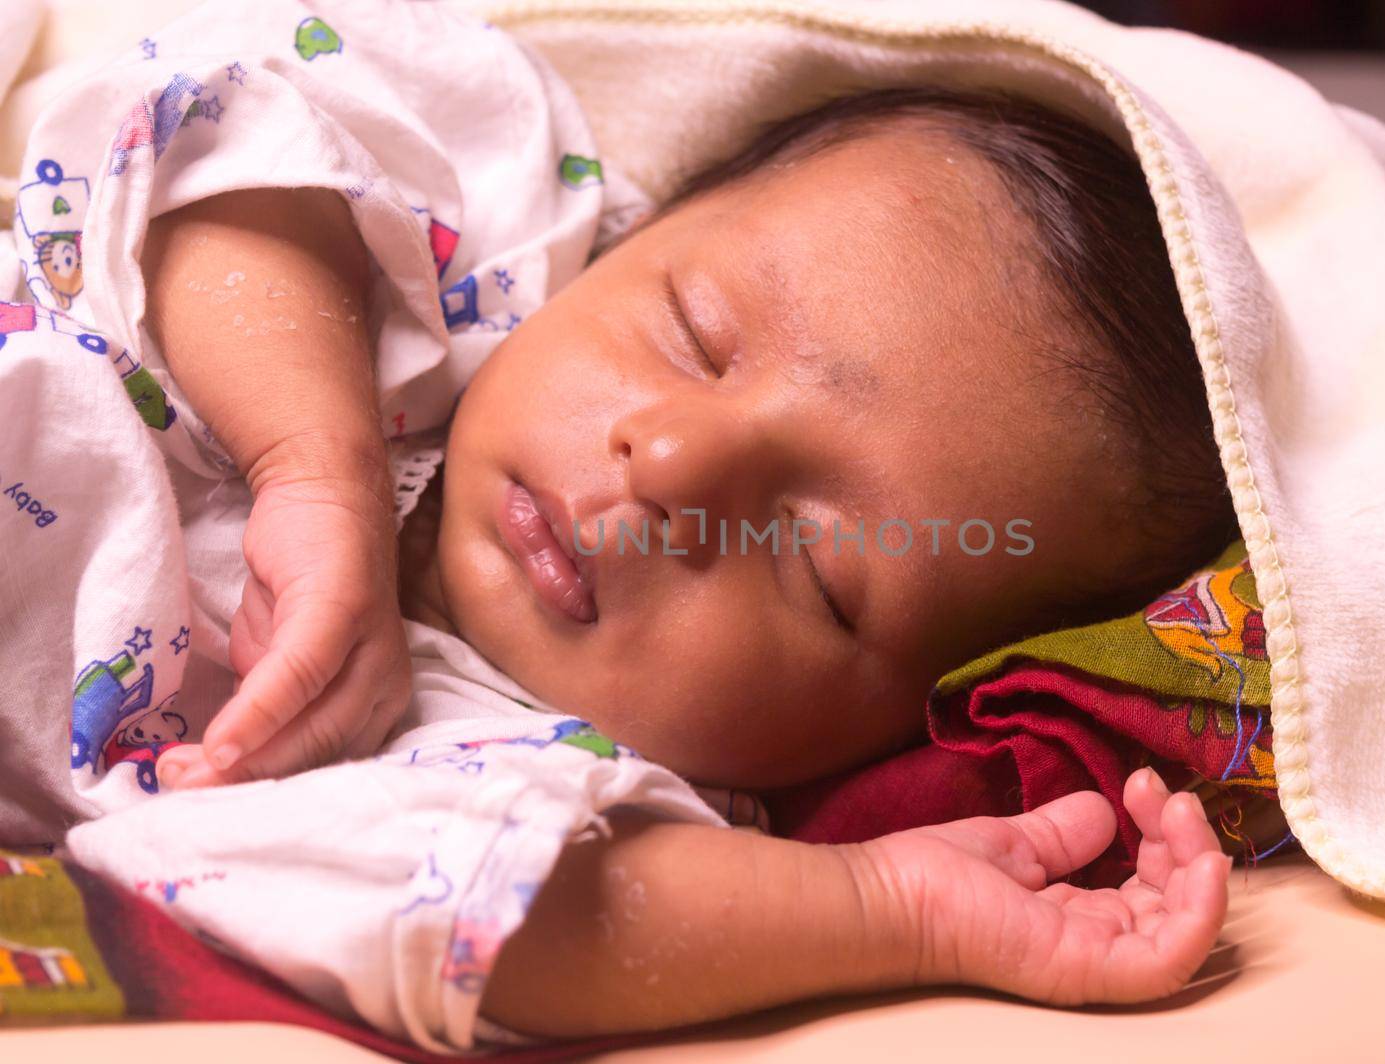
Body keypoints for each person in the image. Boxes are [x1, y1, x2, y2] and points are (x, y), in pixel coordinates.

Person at [2, 0, 1232, 1047]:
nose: (675, 464)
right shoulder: (478, 238)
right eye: (694, 332)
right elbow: (220, 132)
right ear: (634, 231)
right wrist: (313, 463)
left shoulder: (545, 774)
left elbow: (501, 921)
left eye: (810, 560)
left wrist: (880, 903)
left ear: (857, 741)